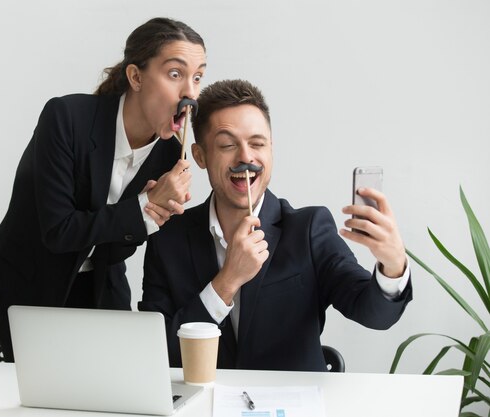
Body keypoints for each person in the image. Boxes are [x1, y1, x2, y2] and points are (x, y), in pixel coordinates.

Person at [139, 79, 412, 371]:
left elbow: (375, 315)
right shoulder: (167, 238)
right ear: (200, 156)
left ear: (271, 150)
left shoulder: (308, 229)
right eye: (228, 145)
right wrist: (226, 283)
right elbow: (157, 353)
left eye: (258, 144)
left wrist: (392, 265)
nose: (246, 157)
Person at [0, 18, 207, 361]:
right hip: (31, 284)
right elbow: (58, 231)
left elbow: (115, 248)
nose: (190, 91)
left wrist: (152, 218)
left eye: (198, 76)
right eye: (175, 74)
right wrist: (145, 207)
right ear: (136, 77)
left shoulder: (170, 154)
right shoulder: (67, 117)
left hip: (101, 285)